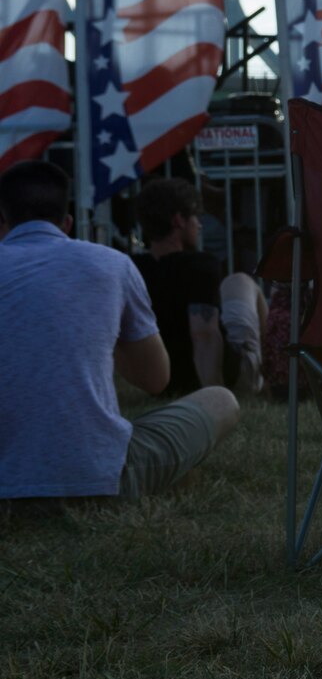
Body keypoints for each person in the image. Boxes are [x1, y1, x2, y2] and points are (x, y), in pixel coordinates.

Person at [0, 161, 241, 508]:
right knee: (220, 400)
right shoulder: (112, 264)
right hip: (101, 480)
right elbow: (155, 379)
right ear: (67, 223)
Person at [132, 177, 263, 397]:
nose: (199, 224)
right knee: (241, 281)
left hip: (163, 380)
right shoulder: (199, 266)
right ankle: (264, 376)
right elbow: (204, 334)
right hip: (225, 377)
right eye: (196, 216)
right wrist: (215, 398)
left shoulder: (134, 269)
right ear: (178, 221)